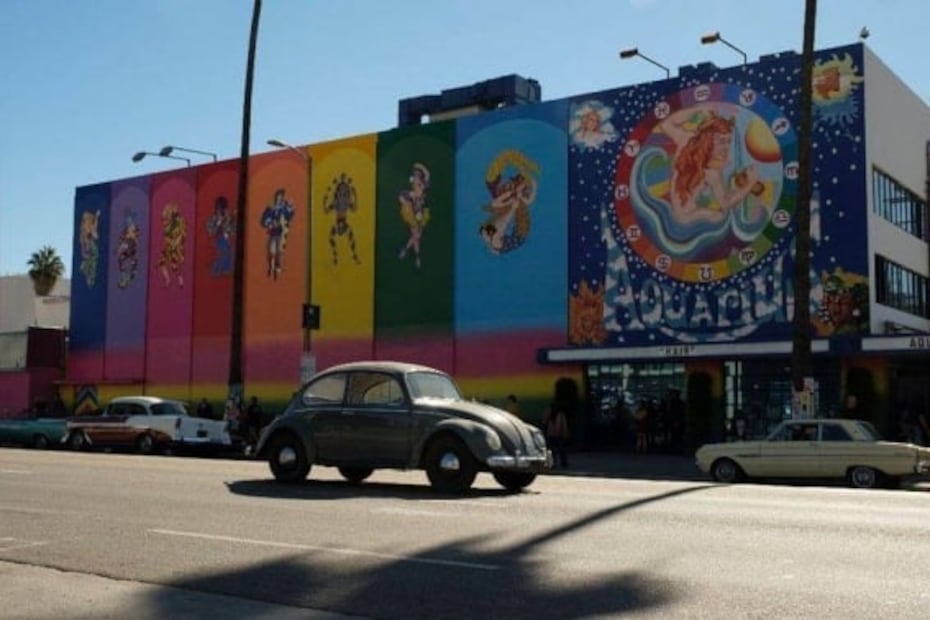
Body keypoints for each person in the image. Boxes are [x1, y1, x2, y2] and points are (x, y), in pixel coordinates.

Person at [543, 404, 570, 468]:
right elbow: (564, 424)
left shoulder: (556, 414)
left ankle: (556, 463)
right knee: (559, 449)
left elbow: (544, 422)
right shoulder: (559, 414)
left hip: (554, 434)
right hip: (556, 434)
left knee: (555, 450)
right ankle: (561, 463)